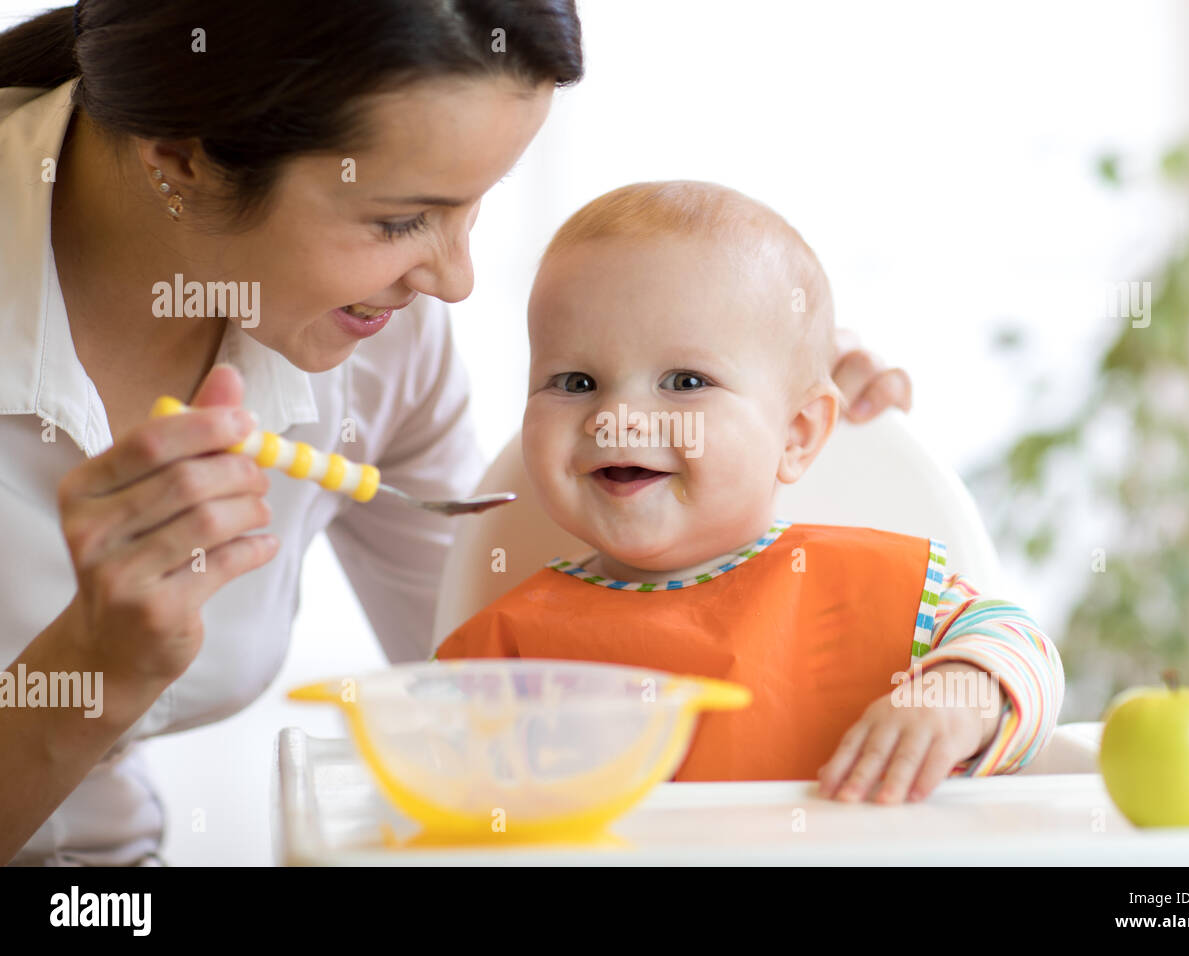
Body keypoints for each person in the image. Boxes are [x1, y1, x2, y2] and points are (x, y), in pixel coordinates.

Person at [0, 4, 909, 865]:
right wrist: (92, 671)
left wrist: (748, 373)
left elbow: (500, 711)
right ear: (183, 161)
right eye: (402, 219)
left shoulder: (378, 344)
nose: (456, 280)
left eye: (475, 204)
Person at [433, 181, 1066, 802]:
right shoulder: (504, 647)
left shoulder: (880, 593)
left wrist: (953, 698)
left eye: (685, 381)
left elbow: (1028, 652)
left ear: (795, 433)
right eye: (574, 382)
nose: (619, 417)